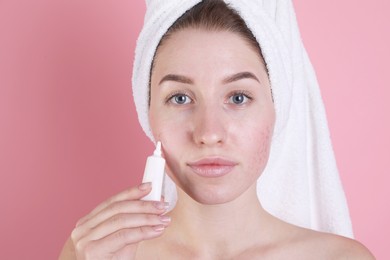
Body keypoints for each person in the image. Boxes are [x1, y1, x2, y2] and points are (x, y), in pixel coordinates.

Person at [59, 0, 374, 259]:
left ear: (278, 108)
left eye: (238, 97)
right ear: (148, 113)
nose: (209, 133)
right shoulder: (96, 254)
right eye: (180, 98)